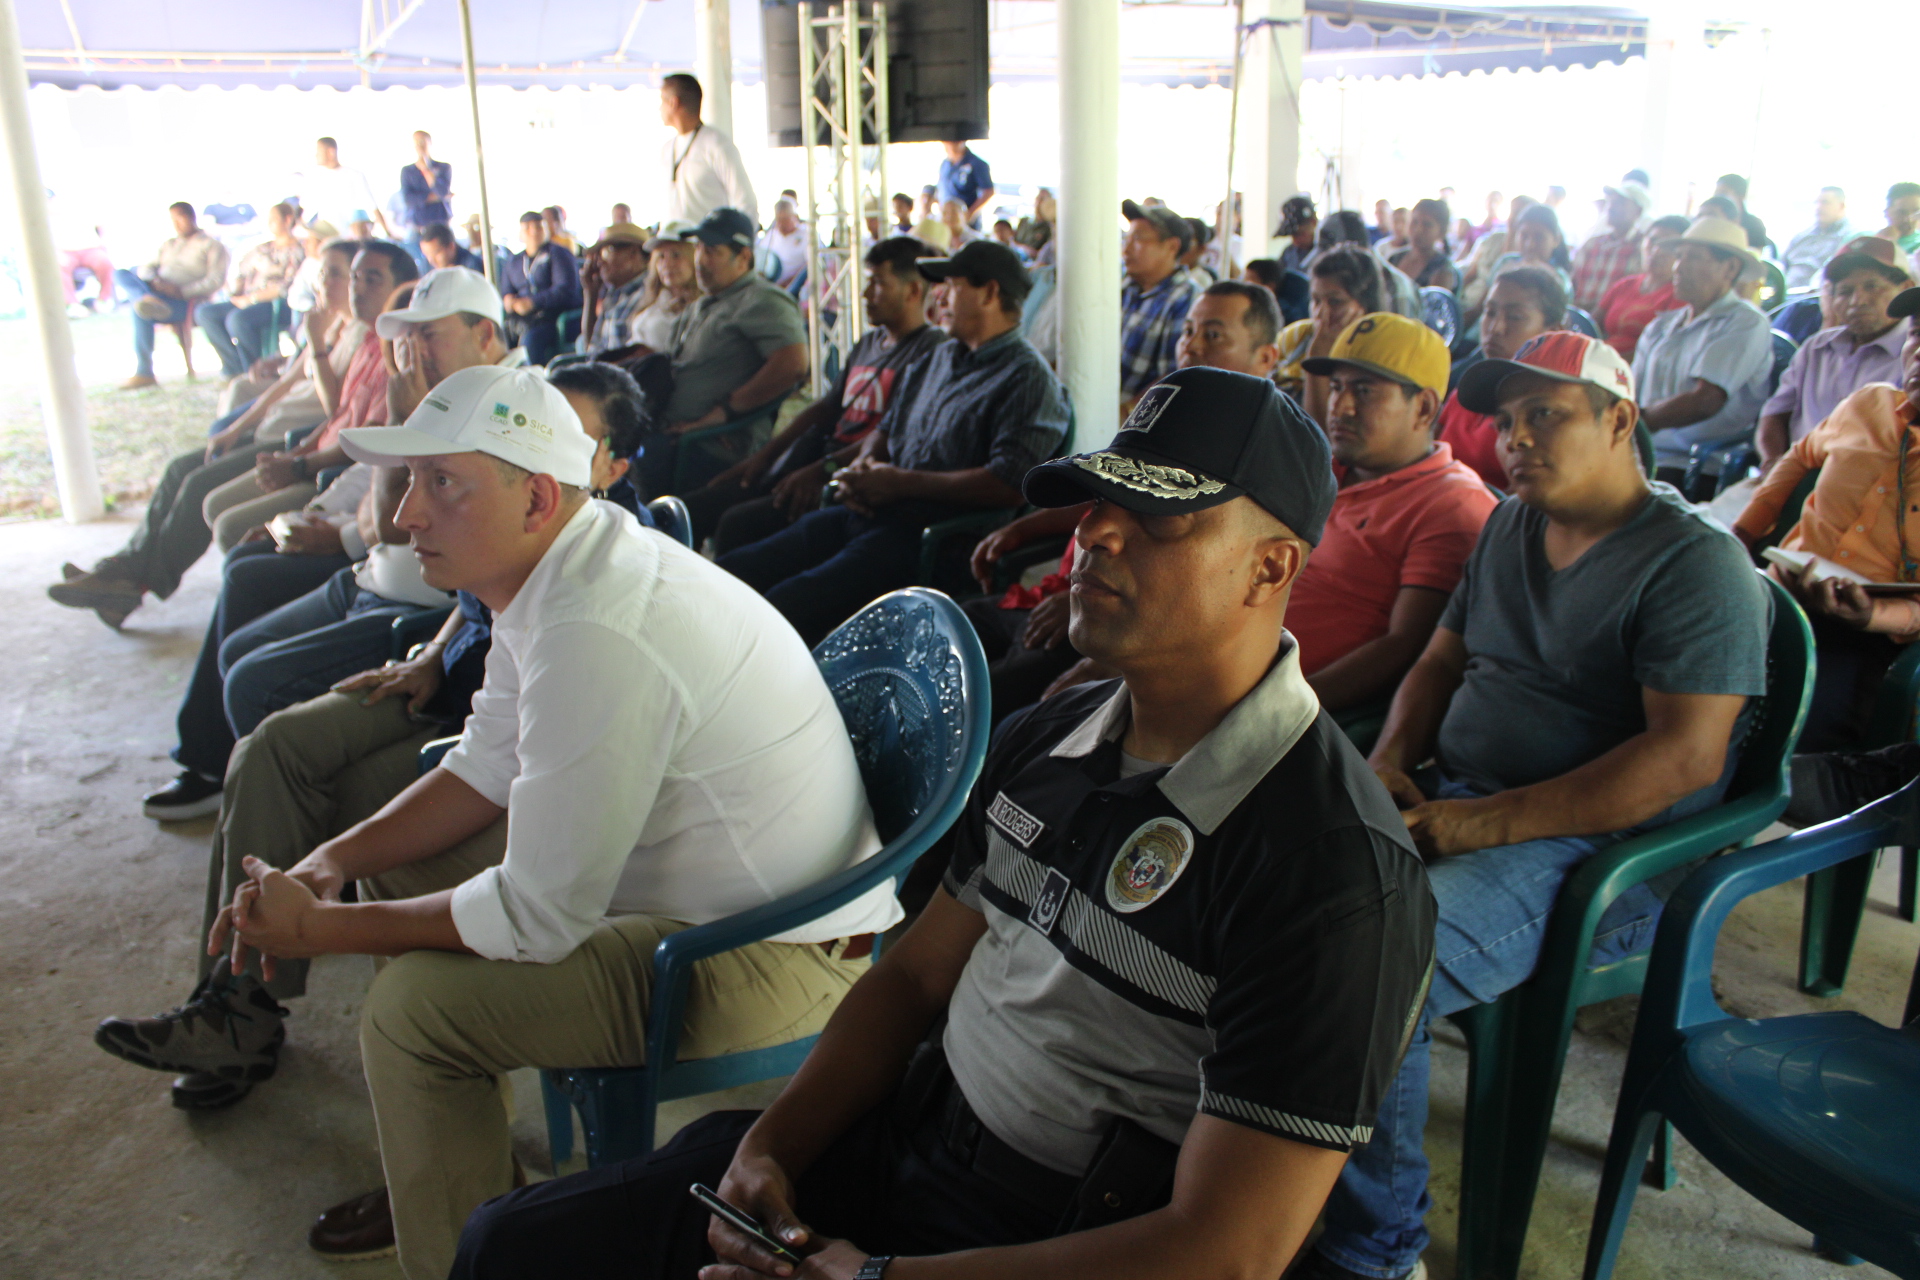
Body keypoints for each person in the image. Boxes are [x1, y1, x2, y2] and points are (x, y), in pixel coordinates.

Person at [446, 365, 1437, 1280]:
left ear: (1270, 567)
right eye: (1098, 503)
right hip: (906, 1137)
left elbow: (1227, 1250)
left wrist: (879, 1278)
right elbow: (915, 977)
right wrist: (771, 1148)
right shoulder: (1054, 732)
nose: (1096, 534)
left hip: (1059, 1233)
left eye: (1157, 519)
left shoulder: (1332, 869)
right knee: (511, 1246)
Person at [161, 360, 898, 1280]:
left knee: (411, 1016)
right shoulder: (556, 567)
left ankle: (458, 1239)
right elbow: (486, 762)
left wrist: (322, 931)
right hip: (703, 895)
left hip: (771, 951)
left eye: (443, 483)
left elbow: (536, 914)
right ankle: (460, 1177)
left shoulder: (596, 624)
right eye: (412, 480)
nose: (406, 514)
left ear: (539, 497)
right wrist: (333, 865)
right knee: (394, 874)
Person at [1304, 330, 1771, 1280]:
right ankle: (1271, 1151)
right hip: (1463, 795)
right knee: (1258, 887)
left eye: (1545, 415)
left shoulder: (1695, 563)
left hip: (1604, 854)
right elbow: (1438, 659)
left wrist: (1476, 822)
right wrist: (1391, 761)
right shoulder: (1513, 524)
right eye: (1508, 420)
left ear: (1620, 420)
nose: (1515, 438)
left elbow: (1684, 758)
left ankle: (1376, 1252)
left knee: (1370, 965)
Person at [94, 364, 645, 1112]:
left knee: (354, 803)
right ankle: (232, 1002)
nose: (413, 514)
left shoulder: (597, 584)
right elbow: (476, 615)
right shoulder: (517, 552)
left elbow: (538, 883)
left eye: (577, 438)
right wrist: (429, 657)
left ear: (606, 467)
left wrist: (327, 925)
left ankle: (256, 1010)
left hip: (497, 731)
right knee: (271, 746)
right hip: (454, 684)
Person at [718, 240, 1068, 644]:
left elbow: (1007, 485)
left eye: (952, 286)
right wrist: (863, 468)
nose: (939, 297)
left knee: (786, 605)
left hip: (934, 541)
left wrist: (898, 483)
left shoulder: (1027, 379)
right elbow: (887, 431)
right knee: (735, 571)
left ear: (989, 293)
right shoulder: (937, 358)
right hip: (875, 513)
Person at [52, 243, 412, 629]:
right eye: (349, 276)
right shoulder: (360, 335)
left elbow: (359, 432)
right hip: (301, 445)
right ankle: (123, 575)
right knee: (183, 471)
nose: (352, 287)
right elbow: (338, 416)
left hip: (321, 462)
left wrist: (299, 461)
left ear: (403, 289)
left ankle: (133, 582)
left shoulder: (394, 349)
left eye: (368, 278)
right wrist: (277, 443)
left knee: (209, 501)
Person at [966, 280, 1285, 717]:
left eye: (1213, 335)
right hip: (1063, 591)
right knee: (936, 630)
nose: (1191, 345)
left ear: (1266, 357)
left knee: (965, 705)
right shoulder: (1170, 408)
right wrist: (1023, 528)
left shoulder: (1259, 459)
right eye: (1187, 331)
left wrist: (1094, 608)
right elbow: (1115, 494)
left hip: (1110, 616)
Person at [1732, 285, 1920, 749]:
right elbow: (1800, 457)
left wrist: (1872, 615)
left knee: (1789, 739)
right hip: (1778, 592)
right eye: (1917, 334)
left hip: (1871, 637)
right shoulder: (1869, 404)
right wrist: (1744, 531)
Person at [680, 236, 945, 551]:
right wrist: (763, 457)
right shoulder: (869, 344)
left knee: (737, 525)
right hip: (817, 458)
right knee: (693, 508)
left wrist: (822, 471)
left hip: (852, 475)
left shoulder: (930, 350)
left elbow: (895, 437)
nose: (865, 294)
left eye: (878, 284)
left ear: (913, 291)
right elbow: (824, 409)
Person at [641, 208, 809, 496]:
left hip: (711, 443)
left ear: (743, 257)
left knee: (627, 467)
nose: (700, 260)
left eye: (712, 251)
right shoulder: (703, 304)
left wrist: (723, 414)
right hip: (672, 430)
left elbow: (793, 364)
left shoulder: (762, 300)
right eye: (699, 249)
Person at [1631, 216, 1772, 475]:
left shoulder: (1745, 322)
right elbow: (1630, 389)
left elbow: (1705, 401)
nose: (1678, 267)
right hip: (1640, 452)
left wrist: (1634, 425)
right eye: (1679, 256)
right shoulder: (1663, 325)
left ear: (1730, 268)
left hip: (1694, 464)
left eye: (1693, 257)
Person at [1756, 238, 1912, 468]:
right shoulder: (1817, 348)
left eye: (1872, 286)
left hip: (1872, 483)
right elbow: (1775, 414)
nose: (1857, 301)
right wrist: (1773, 464)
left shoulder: (1913, 355)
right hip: (1794, 475)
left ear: (1905, 288)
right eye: (1845, 292)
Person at [1436, 267, 1568, 486]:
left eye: (1515, 317)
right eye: (1490, 312)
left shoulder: (1549, 412)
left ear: (1552, 331)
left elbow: (1522, 499)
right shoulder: (1469, 387)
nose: (1496, 328)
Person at [113, 201, 230, 389]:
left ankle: (144, 372)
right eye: (172, 220)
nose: (176, 224)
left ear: (191, 217)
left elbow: (215, 281)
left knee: (140, 310)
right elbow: (146, 268)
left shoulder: (211, 245)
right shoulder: (169, 245)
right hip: (158, 293)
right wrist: (155, 280)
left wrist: (182, 291)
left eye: (180, 218)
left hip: (185, 302)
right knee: (121, 274)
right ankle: (145, 297)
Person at [194, 201, 305, 379]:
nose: (269, 223)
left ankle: (254, 370)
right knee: (205, 313)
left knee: (238, 320)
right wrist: (236, 292)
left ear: (288, 219)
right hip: (247, 299)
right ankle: (235, 367)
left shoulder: (298, 250)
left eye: (274, 219)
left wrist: (252, 298)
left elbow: (287, 286)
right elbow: (242, 272)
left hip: (276, 304)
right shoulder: (262, 249)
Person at [1276, 243, 1384, 402]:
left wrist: (1317, 357)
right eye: (1316, 300)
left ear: (1365, 305)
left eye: (1335, 302)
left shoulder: (1380, 354)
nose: (1320, 313)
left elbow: (1319, 419)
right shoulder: (1295, 336)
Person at [1119, 200, 1203, 402]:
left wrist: (1127, 412)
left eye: (1137, 239)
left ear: (1172, 246)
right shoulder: (1126, 287)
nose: (1126, 250)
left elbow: (1175, 376)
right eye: (1126, 239)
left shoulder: (1185, 298)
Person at [660, 73, 758, 224]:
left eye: (662, 101)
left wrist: (737, 238)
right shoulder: (667, 149)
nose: (659, 108)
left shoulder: (716, 144)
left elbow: (746, 203)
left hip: (707, 238)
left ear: (673, 103)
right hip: (671, 238)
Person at [1595, 215, 1690, 362]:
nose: (1657, 251)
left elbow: (1661, 352)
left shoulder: (1680, 296)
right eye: (1653, 240)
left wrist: (1608, 363)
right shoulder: (1625, 285)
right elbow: (1591, 324)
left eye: (1668, 246)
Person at [501, 209, 581, 366]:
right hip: (521, 319)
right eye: (527, 228)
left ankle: (534, 377)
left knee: (530, 342)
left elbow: (565, 290)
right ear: (520, 234)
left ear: (546, 229)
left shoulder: (559, 254)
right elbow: (507, 291)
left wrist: (533, 303)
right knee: (500, 337)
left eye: (538, 227)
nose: (533, 232)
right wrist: (510, 301)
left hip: (552, 318)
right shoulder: (514, 261)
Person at [1570, 180, 1651, 313]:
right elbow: (1572, 283)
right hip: (1579, 316)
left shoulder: (1643, 248)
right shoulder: (1592, 243)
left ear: (1638, 211)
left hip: (1614, 319)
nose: (1611, 208)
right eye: (1610, 202)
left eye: (1620, 203)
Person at [577, 222, 653, 355]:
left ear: (633, 254)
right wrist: (590, 293)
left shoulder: (648, 295)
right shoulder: (615, 294)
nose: (599, 262)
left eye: (606, 252)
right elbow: (591, 348)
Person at [627, 221, 700, 355]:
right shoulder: (655, 297)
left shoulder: (701, 305)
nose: (667, 264)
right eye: (661, 256)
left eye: (676, 255)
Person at [298, 137, 391, 238]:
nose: (316, 155)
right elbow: (307, 210)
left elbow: (371, 206)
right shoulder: (316, 178)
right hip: (325, 235)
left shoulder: (354, 175)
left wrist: (387, 233)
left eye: (319, 151)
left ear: (331, 152)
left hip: (349, 236)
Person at [1782, 187, 1859, 290]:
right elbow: (1780, 265)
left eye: (1825, 202)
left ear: (1841, 206)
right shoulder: (1802, 236)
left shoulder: (1851, 238)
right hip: (1785, 292)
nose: (1818, 207)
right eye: (1816, 203)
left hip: (1819, 294)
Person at [399, 131, 453, 260]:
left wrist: (426, 170)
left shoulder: (443, 168)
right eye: (416, 143)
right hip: (417, 227)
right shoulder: (407, 171)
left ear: (430, 143)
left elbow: (442, 192)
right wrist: (433, 197)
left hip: (440, 226)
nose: (420, 146)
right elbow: (408, 199)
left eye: (423, 142)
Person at [1388, 198, 1460, 293]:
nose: (1418, 230)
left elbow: (1433, 300)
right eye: (1415, 222)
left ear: (1441, 232)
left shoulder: (1443, 270)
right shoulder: (1394, 259)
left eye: (1427, 225)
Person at [936, 139, 995, 227]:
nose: (948, 145)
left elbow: (988, 191)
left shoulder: (976, 163)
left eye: (952, 141)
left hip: (965, 222)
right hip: (946, 221)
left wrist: (970, 213)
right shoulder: (945, 164)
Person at [760, 198, 810, 289]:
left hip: (795, 285)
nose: (781, 224)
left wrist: (790, 282)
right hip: (772, 283)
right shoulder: (772, 235)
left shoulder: (806, 235)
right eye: (779, 220)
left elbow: (809, 265)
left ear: (795, 217)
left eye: (785, 220)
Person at [1714, 173, 1770, 252]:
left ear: (1741, 196)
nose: (1718, 197)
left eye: (1723, 193)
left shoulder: (1755, 224)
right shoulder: (1711, 219)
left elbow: (1755, 255)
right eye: (1716, 193)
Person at [1274, 195, 1319, 275]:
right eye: (1292, 235)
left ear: (1313, 222)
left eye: (1299, 234)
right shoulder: (1288, 253)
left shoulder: (1329, 252)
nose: (1295, 240)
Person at [420, 221, 485, 273]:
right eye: (427, 255)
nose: (431, 260)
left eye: (436, 253)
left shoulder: (471, 267)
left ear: (451, 247)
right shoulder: (427, 266)